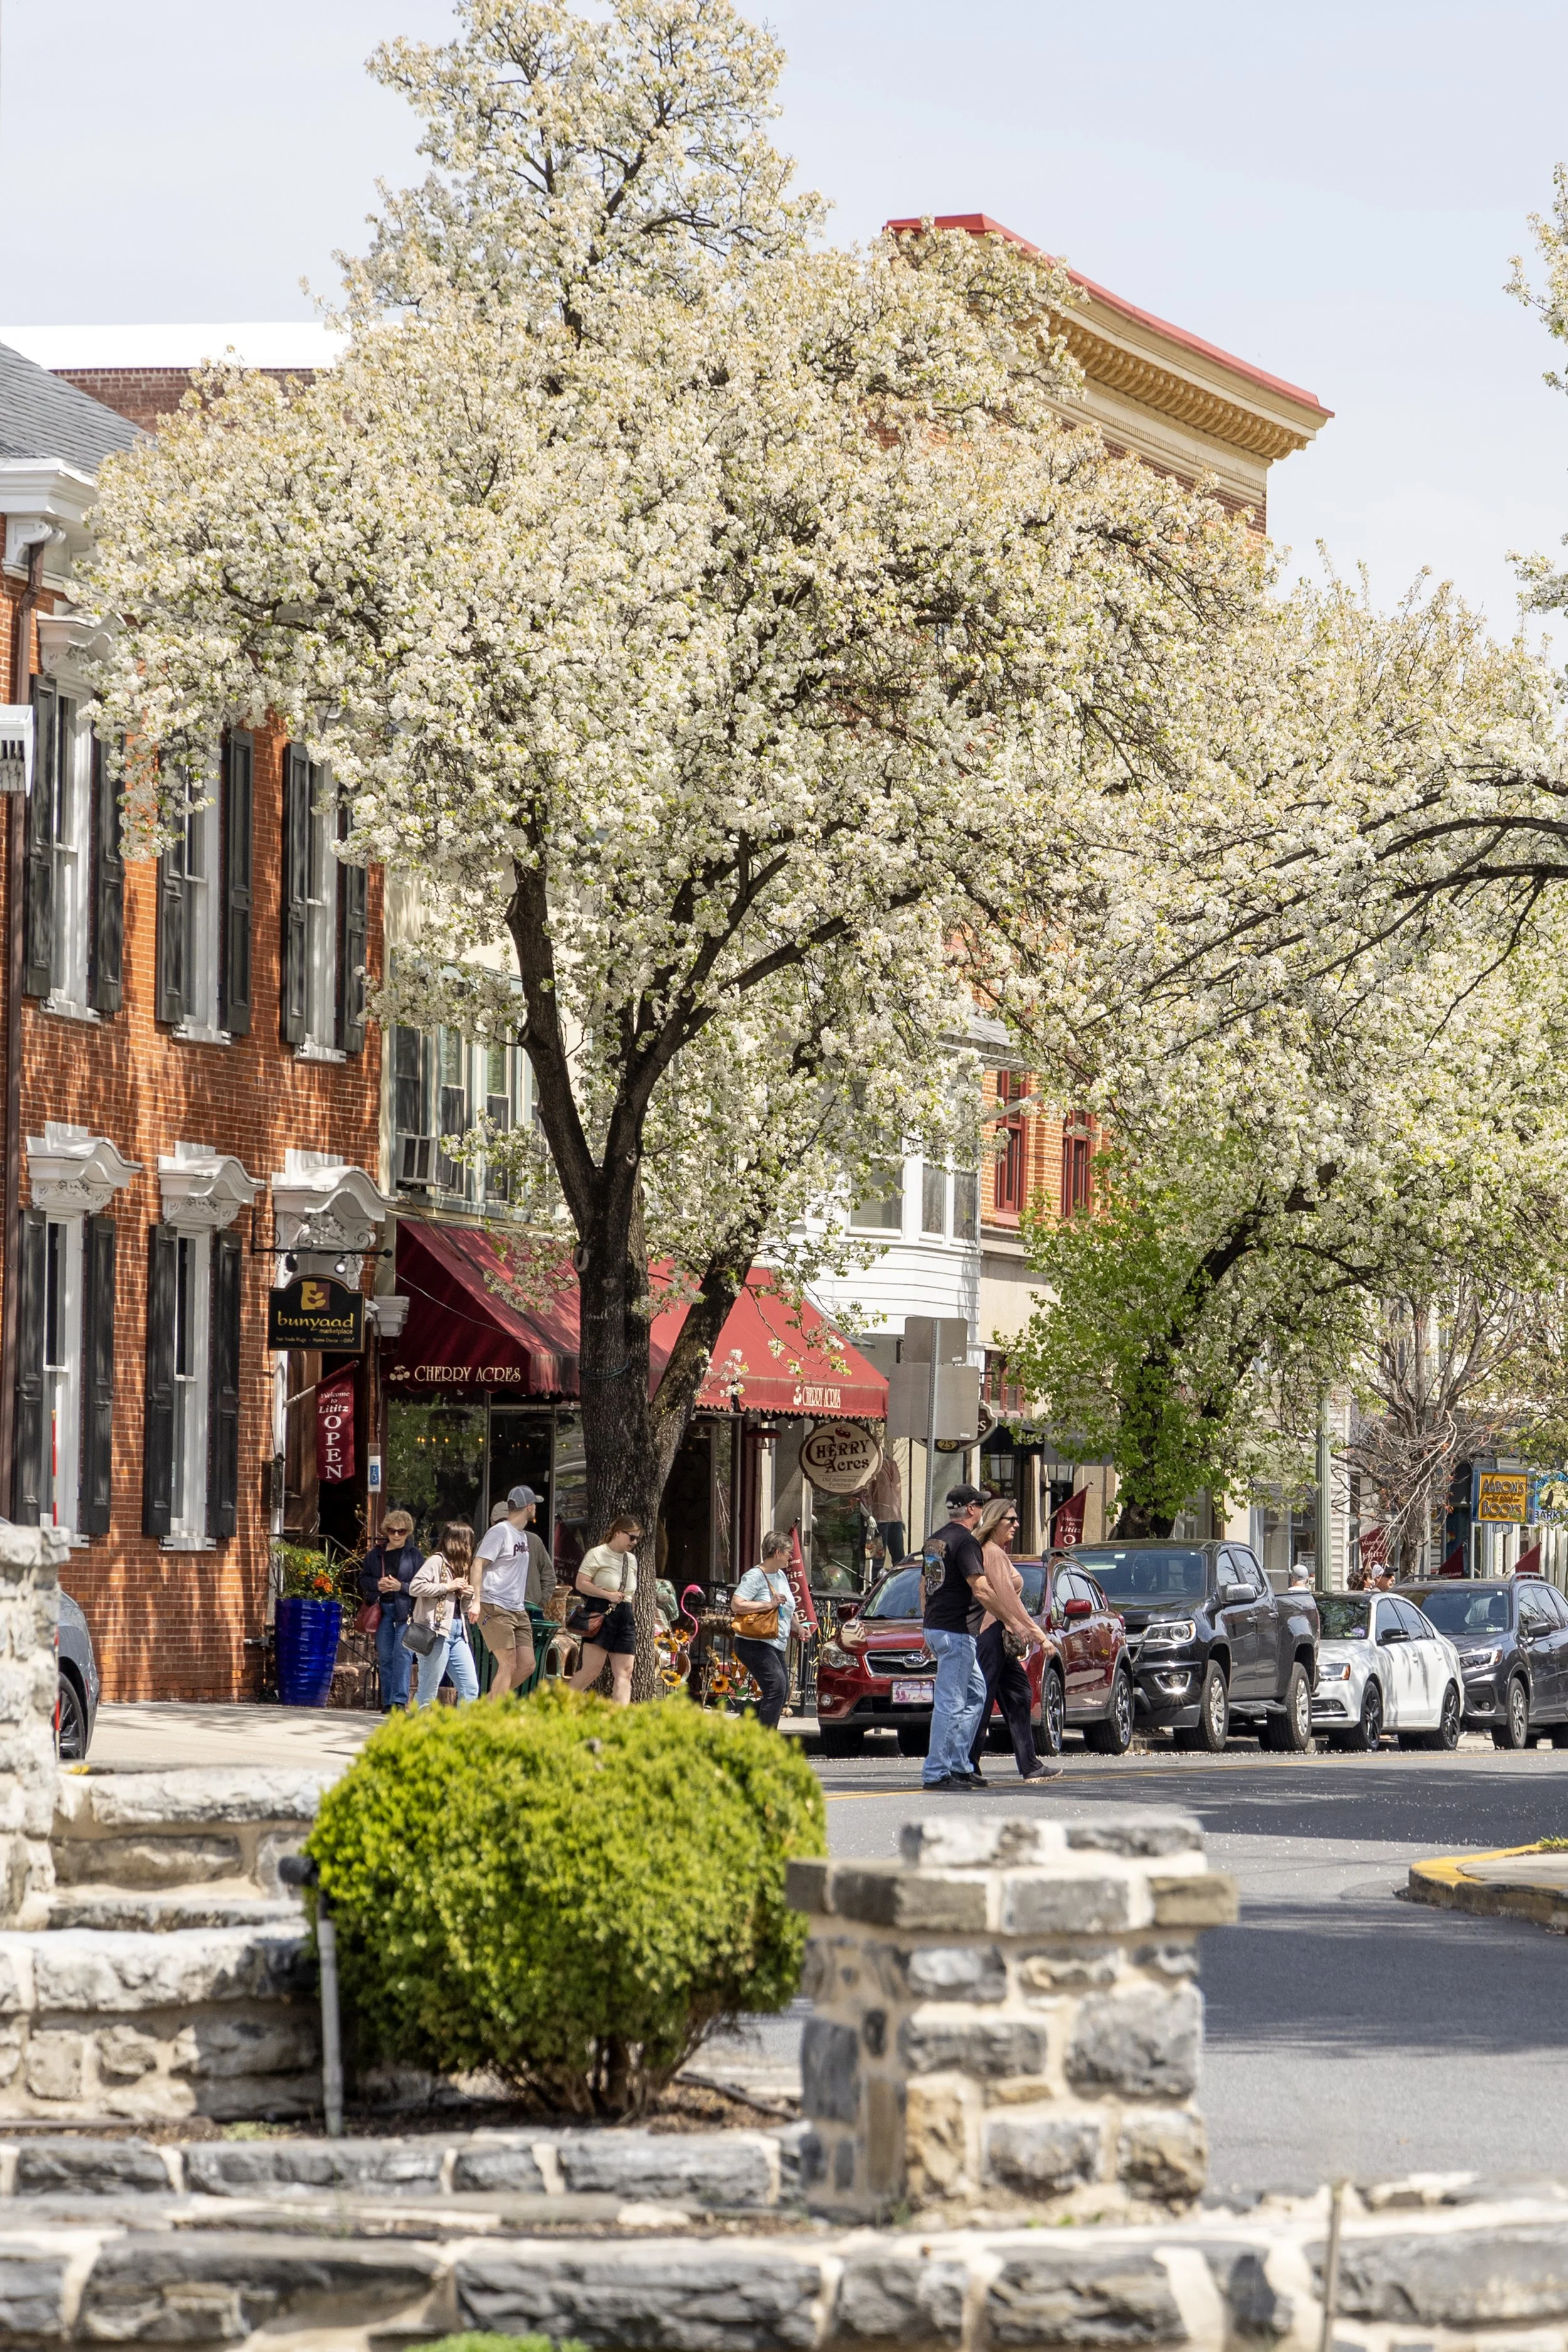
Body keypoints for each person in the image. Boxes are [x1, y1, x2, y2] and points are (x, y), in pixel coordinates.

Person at [968, 1498, 1059, 1783]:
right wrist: (1038, 1635)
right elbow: (1008, 1600)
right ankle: (967, 1765)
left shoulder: (994, 1551)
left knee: (1019, 1694)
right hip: (990, 1634)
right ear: (995, 1522)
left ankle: (1029, 1764)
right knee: (982, 1703)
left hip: (997, 1635)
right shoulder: (993, 1553)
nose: (1016, 1525)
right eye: (1011, 1520)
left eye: (1017, 1519)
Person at [920, 1483, 993, 1791]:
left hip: (938, 1626)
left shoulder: (935, 1540)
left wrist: (926, 1626)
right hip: (957, 1631)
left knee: (976, 1693)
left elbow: (925, 1585)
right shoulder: (965, 1542)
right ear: (972, 1509)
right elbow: (980, 1587)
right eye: (981, 1505)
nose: (982, 1511)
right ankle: (937, 1771)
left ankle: (960, 1765)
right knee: (951, 1702)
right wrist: (1010, 1619)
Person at [474, 1485, 555, 1699]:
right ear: (529, 1507)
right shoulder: (499, 1532)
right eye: (535, 1505)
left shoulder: (522, 1537)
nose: (536, 1509)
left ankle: (487, 1705)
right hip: (495, 1605)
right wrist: (475, 1601)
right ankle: (493, 1716)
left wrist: (539, 1601)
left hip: (517, 1608)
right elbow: (477, 1564)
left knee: (528, 1664)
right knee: (508, 1664)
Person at [567, 1514, 640, 1705]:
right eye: (631, 1537)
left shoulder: (631, 1560)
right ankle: (561, 1705)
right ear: (617, 1533)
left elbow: (630, 1591)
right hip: (601, 1611)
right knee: (592, 1669)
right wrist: (607, 1594)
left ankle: (619, 1721)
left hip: (625, 1614)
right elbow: (581, 1584)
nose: (635, 1542)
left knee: (625, 1672)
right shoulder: (597, 1554)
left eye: (638, 1538)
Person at [407, 1522, 481, 1710]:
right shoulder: (436, 1561)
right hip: (435, 1632)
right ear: (457, 1542)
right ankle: (414, 1734)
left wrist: (467, 1595)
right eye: (467, 1542)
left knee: (470, 1688)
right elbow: (415, 1587)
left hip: (458, 1632)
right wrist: (447, 1587)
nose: (469, 1547)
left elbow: (460, 1608)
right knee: (428, 1691)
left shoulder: (461, 1567)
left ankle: (460, 1735)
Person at [731, 1531, 797, 1730]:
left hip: (775, 1643)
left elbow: (786, 1608)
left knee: (781, 1692)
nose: (791, 1556)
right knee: (776, 1688)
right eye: (788, 1552)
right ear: (777, 1553)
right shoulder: (755, 1576)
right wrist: (768, 1604)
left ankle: (739, 1728)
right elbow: (736, 1605)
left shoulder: (781, 1576)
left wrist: (799, 1627)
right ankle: (765, 1741)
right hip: (753, 1643)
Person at [359, 1509, 422, 1712]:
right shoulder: (375, 1555)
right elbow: (363, 1579)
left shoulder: (414, 1556)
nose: (396, 1535)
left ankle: (398, 1701)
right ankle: (387, 1701)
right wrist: (378, 1584)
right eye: (392, 1531)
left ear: (408, 1532)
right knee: (385, 1656)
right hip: (383, 1611)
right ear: (386, 1531)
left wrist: (400, 1587)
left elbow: (422, 1585)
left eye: (401, 1531)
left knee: (403, 1655)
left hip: (406, 1612)